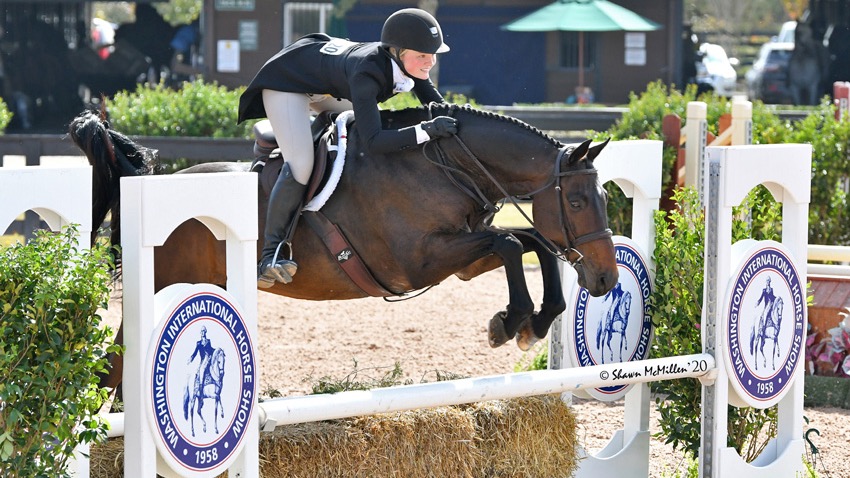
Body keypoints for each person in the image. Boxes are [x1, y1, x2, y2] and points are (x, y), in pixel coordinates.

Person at [237, 8, 459, 288]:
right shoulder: (368, 72)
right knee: (302, 164)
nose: (430, 62)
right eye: (422, 56)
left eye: (432, 55)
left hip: (327, 85)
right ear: (399, 52)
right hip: (288, 85)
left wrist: (465, 124)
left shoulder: (406, 64)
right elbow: (375, 141)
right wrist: (425, 131)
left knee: (355, 126)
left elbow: (436, 106)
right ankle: (271, 254)